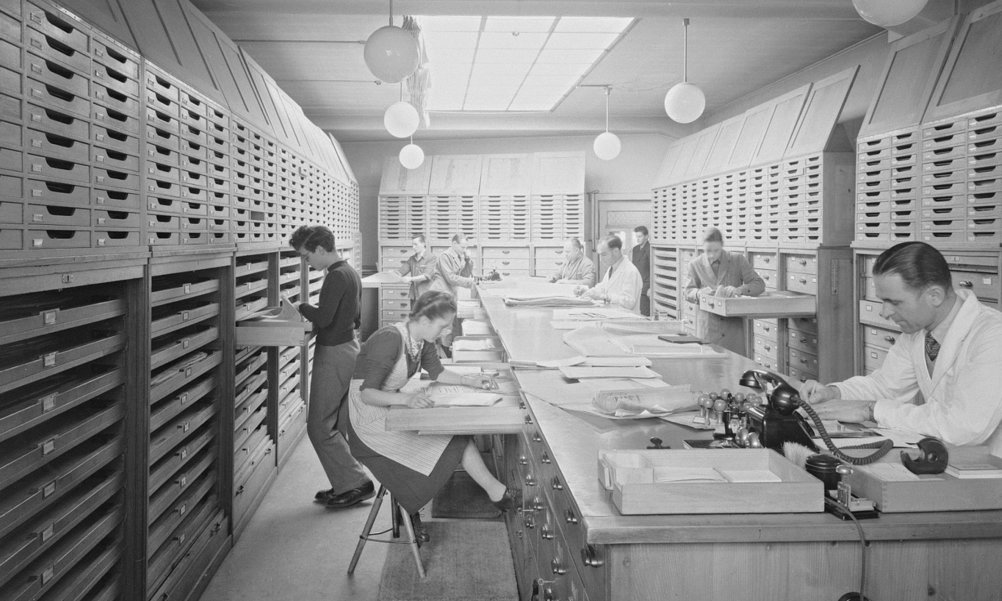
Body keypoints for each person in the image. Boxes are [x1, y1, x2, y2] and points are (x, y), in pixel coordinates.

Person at [799, 241, 1002, 455]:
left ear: (935, 296)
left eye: (894, 302)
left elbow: (963, 426)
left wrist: (870, 410)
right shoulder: (919, 331)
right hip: (955, 460)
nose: (884, 312)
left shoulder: (992, 336)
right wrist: (833, 392)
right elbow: (886, 386)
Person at [346, 291, 510, 541]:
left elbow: (437, 372)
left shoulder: (420, 341)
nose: (446, 332)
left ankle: (497, 494)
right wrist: (407, 399)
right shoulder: (390, 339)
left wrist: (470, 381)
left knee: (455, 437)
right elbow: (367, 394)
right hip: (368, 420)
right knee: (452, 440)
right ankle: (497, 494)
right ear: (424, 321)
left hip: (388, 407)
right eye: (443, 326)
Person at [289, 225, 374, 509]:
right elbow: (356, 318)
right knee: (336, 424)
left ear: (321, 250)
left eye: (306, 256)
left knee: (318, 427)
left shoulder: (335, 276)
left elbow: (323, 318)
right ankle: (346, 482)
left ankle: (356, 483)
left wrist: (300, 307)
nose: (306, 262)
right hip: (348, 347)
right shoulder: (349, 272)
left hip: (335, 352)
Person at [683, 227, 765, 352]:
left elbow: (759, 284)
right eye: (708, 251)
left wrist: (740, 290)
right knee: (708, 367)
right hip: (708, 328)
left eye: (716, 250)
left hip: (733, 328)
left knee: (736, 367)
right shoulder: (695, 264)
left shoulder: (737, 260)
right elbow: (687, 292)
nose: (711, 255)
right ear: (702, 247)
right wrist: (699, 293)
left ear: (722, 246)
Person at [429, 232, 477, 355]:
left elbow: (465, 275)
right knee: (445, 328)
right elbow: (450, 277)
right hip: (440, 295)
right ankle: (443, 357)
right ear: (454, 243)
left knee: (449, 327)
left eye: (466, 247)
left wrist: (468, 260)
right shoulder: (445, 256)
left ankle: (445, 355)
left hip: (450, 295)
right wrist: (470, 281)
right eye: (463, 247)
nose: (464, 250)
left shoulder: (459, 256)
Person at [574, 235, 643, 313]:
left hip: (627, 320)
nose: (601, 259)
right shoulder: (612, 268)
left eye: (604, 255)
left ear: (616, 251)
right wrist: (587, 292)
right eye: (600, 255)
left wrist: (606, 297)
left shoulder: (630, 271)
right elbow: (602, 288)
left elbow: (629, 302)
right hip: (613, 315)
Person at [397, 233, 437, 306]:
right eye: (412, 245)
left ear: (423, 243)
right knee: (414, 317)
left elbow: (426, 276)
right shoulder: (412, 259)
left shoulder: (431, 258)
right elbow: (400, 272)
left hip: (426, 298)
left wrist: (410, 279)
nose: (413, 247)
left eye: (416, 244)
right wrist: (389, 275)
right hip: (414, 297)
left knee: (425, 317)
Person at [630, 225, 652, 316]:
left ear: (646, 236)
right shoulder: (635, 249)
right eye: (636, 237)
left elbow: (654, 271)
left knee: (644, 312)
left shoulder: (650, 249)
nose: (637, 239)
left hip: (646, 287)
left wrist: (652, 288)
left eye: (640, 236)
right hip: (636, 285)